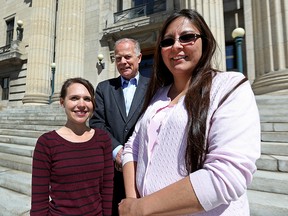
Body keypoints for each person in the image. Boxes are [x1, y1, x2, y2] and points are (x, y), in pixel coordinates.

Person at [120, 9, 261, 216]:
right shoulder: (159, 94)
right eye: (167, 41)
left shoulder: (229, 85)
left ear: (205, 42)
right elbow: (133, 145)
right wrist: (132, 200)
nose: (176, 46)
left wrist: (141, 208)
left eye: (187, 37)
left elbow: (227, 175)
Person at [30, 77, 114, 216]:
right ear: (62, 102)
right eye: (74, 98)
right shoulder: (46, 143)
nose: (82, 104)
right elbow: (39, 199)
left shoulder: (103, 139)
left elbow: (107, 188)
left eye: (87, 99)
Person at [89, 38, 150, 215]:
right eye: (118, 58)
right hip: (112, 170)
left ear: (139, 57)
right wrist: (117, 150)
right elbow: (97, 123)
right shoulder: (103, 88)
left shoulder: (154, 86)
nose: (123, 62)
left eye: (127, 57)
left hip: (142, 167)